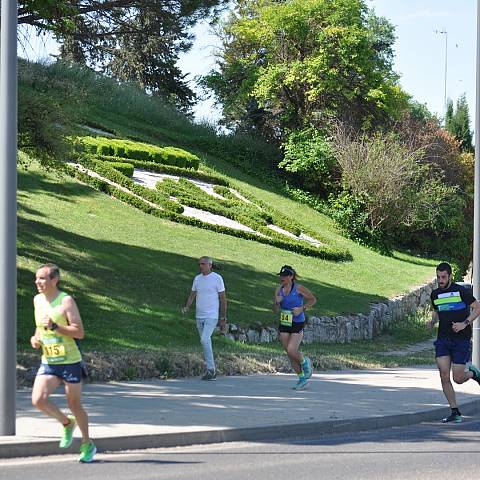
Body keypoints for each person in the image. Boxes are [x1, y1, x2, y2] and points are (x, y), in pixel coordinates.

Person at [30, 263, 97, 462]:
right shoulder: (37, 300)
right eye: (36, 278)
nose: (37, 282)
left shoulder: (65, 301)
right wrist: (36, 338)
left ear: (54, 280)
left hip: (70, 361)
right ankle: (67, 423)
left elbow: (79, 332)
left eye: (42, 278)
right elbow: (39, 327)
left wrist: (57, 327)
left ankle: (87, 444)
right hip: (49, 360)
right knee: (38, 400)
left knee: (74, 404)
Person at [427, 262, 480, 423]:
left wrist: (464, 323)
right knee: (444, 373)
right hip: (443, 338)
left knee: (457, 378)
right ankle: (454, 411)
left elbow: (477, 307)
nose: (440, 280)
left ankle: (473, 373)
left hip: (461, 339)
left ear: (450, 276)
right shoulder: (435, 294)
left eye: (443, 277)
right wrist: (432, 322)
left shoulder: (461, 291)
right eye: (438, 277)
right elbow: (437, 311)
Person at [182, 256, 227, 380]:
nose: (200, 266)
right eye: (199, 264)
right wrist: (187, 307)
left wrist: (223, 317)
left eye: (203, 264)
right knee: (206, 341)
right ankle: (211, 370)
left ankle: (211, 369)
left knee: (204, 340)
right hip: (199, 316)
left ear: (210, 265)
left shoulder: (217, 278)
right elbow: (192, 295)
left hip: (211, 315)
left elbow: (223, 298)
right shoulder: (197, 279)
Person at [273, 265, 316, 390]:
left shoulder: (298, 288)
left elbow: (313, 299)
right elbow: (274, 309)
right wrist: (276, 302)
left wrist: (301, 308)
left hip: (297, 322)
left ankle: (304, 362)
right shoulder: (278, 289)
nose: (282, 278)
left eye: (285, 276)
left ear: (291, 277)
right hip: (285, 323)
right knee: (289, 353)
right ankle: (302, 379)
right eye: (281, 276)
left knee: (292, 350)